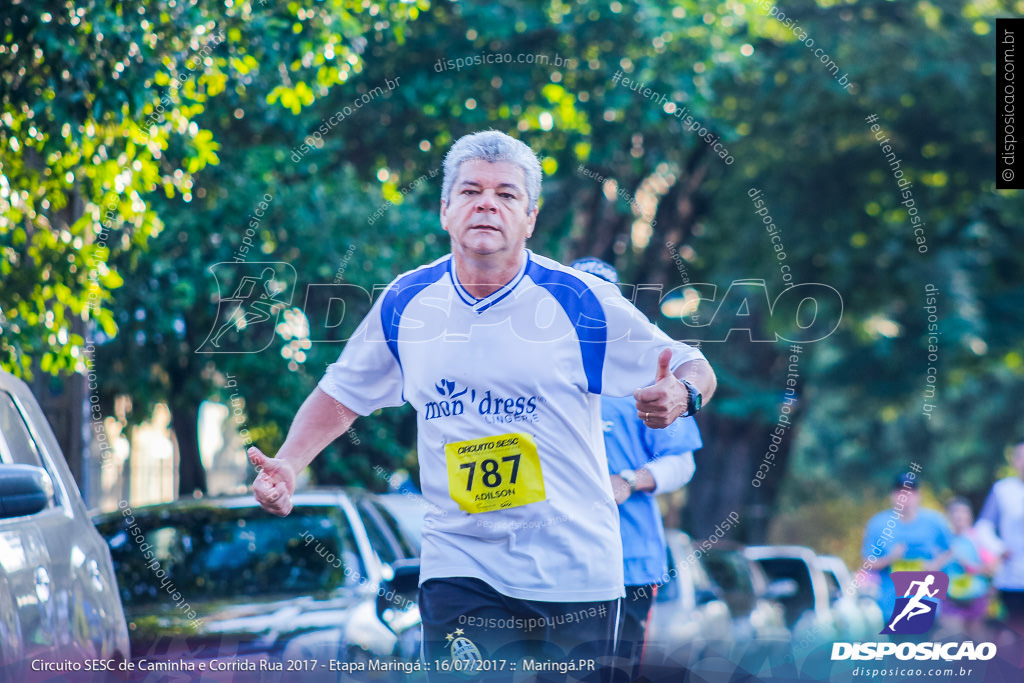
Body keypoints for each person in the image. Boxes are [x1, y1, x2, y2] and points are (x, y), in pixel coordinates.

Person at [245, 131, 717, 679]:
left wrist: (682, 395)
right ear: (445, 210)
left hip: (575, 571)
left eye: (507, 194)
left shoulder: (576, 301)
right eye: (470, 191)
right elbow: (341, 393)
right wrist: (290, 461)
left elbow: (694, 365)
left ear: (531, 217)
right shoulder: (407, 303)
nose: (487, 203)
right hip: (460, 563)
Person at [571, 257, 703, 677]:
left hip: (628, 560)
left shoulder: (645, 377)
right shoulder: (537, 375)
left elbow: (682, 461)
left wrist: (631, 480)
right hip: (553, 560)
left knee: (613, 671)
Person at [861, 473, 954, 618]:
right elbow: (868, 563)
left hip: (927, 603)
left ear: (918, 495)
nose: (905, 497)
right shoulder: (878, 524)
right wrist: (891, 558)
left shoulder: (935, 521)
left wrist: (935, 565)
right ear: (892, 495)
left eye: (911, 492)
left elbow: (950, 549)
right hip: (891, 606)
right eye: (900, 491)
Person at [976, 442, 1024, 636]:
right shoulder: (1002, 490)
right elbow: (983, 527)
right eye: (1020, 457)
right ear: (1013, 461)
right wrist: (999, 548)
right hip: (1012, 577)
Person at [941, 497, 998, 640]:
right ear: (949, 516)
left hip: (976, 597)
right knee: (953, 638)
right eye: (955, 512)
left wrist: (970, 567)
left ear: (970, 516)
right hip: (950, 598)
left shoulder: (978, 539)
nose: (959, 516)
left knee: (976, 641)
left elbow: (992, 568)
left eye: (963, 512)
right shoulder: (944, 540)